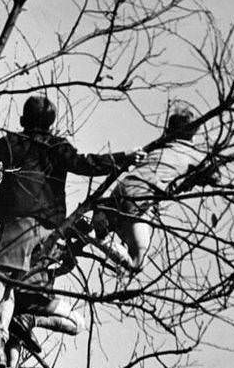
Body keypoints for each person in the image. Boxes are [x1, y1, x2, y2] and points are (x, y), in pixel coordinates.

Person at [0, 94, 145, 368]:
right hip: (50, 231)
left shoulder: (15, 143)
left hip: (19, 226)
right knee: (13, 291)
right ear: (51, 124)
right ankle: (0, 349)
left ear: (24, 120)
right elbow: (87, 163)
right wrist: (122, 159)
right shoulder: (57, 147)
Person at [89, 103, 218, 272]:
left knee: (113, 234)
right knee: (137, 262)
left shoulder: (161, 145)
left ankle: (94, 226)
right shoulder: (194, 155)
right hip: (141, 196)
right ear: (192, 133)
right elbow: (215, 178)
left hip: (123, 187)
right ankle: (92, 234)